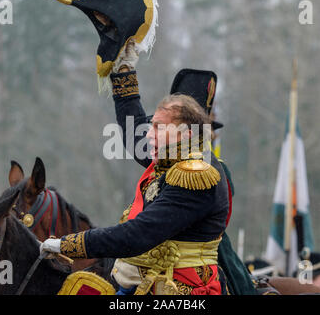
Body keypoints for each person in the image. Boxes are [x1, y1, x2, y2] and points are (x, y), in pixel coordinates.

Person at [41, 42, 231, 295]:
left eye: (157, 128)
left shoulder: (194, 175)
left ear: (184, 133)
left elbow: (137, 235)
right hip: (145, 285)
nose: (148, 135)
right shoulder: (169, 158)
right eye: (151, 126)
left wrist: (68, 244)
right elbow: (135, 130)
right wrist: (124, 71)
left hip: (177, 292)